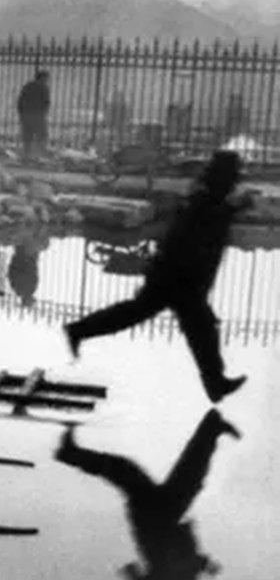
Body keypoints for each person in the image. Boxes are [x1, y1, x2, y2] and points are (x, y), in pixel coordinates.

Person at [64, 150, 253, 403]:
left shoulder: (207, 198)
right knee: (200, 328)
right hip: (179, 279)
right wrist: (235, 207)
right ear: (225, 178)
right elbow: (201, 229)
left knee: (141, 315)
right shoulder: (207, 201)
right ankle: (215, 383)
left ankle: (79, 330)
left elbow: (209, 221)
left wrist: (232, 208)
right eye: (234, 176)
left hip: (176, 277)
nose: (236, 181)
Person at [55, 409, 241, 580]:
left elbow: (143, 574)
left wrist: (201, 566)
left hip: (154, 520)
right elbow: (176, 565)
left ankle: (69, 453)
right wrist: (203, 565)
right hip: (164, 517)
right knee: (187, 475)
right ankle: (212, 428)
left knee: (146, 473)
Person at [17, 70, 50, 161]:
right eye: (46, 78)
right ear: (42, 78)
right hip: (38, 116)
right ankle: (38, 155)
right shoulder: (43, 87)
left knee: (27, 136)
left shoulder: (27, 86)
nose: (47, 80)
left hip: (26, 115)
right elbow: (46, 102)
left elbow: (20, 101)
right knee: (41, 135)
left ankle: (26, 155)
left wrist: (21, 114)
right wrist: (44, 114)